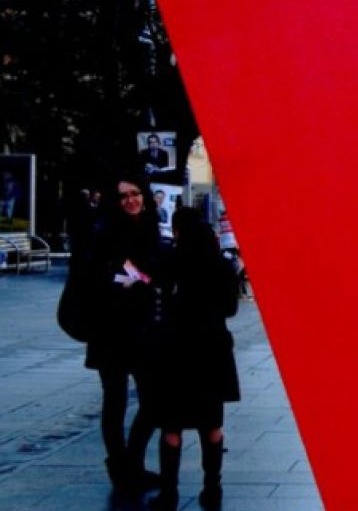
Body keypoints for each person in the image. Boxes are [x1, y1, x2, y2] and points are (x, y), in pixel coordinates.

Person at [149, 208, 240, 511]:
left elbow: (159, 298)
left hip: (175, 351)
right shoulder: (222, 265)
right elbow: (230, 309)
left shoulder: (170, 261)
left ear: (177, 231)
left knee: (172, 426)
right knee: (211, 424)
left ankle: (169, 493)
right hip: (212, 351)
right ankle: (212, 488)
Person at [83, 175, 165, 494]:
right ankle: (121, 468)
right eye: (123, 196)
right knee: (115, 400)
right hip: (110, 328)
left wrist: (147, 280)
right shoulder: (103, 231)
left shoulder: (150, 228)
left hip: (144, 328)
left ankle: (132, 463)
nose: (131, 200)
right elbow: (94, 277)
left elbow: (157, 272)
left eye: (135, 194)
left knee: (152, 400)